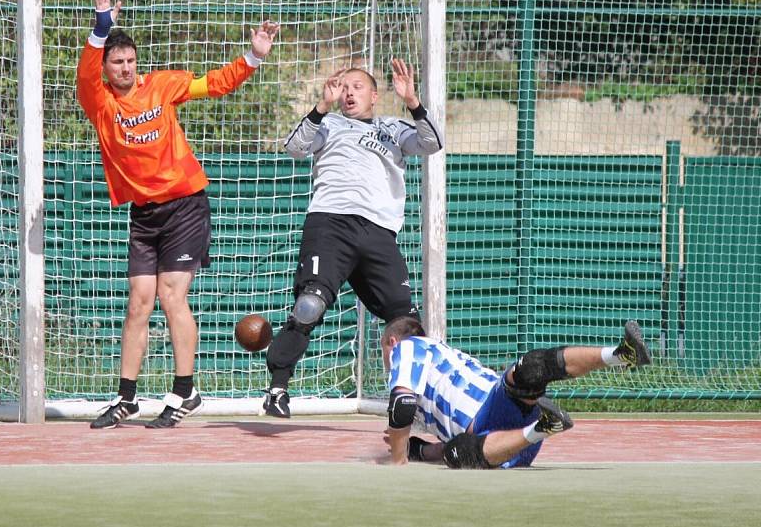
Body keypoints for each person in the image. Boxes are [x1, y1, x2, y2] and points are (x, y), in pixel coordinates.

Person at [77, 0, 279, 429]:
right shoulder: (99, 103)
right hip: (144, 214)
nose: (126, 68)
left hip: (185, 205)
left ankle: (185, 391)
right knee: (138, 303)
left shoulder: (162, 86)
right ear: (106, 69)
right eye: (117, 63)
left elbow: (214, 84)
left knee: (171, 296)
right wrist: (101, 24)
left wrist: (253, 57)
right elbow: (87, 68)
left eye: (130, 60)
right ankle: (125, 398)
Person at [262, 61, 444, 417]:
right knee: (309, 304)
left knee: (407, 321)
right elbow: (295, 147)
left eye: (357, 87)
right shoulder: (327, 124)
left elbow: (432, 143)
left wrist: (412, 101)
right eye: (344, 87)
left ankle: (415, 398)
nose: (349, 92)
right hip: (330, 223)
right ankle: (278, 389)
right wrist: (320, 106)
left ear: (374, 96)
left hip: (378, 231)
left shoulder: (393, 127)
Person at [380, 316, 651, 468]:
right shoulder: (434, 377)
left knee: (529, 368)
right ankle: (545, 426)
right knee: (456, 452)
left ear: (392, 342)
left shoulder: (409, 347)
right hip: (512, 446)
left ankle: (621, 354)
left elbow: (401, 403)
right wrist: (419, 450)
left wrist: (398, 459)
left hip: (492, 409)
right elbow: (444, 442)